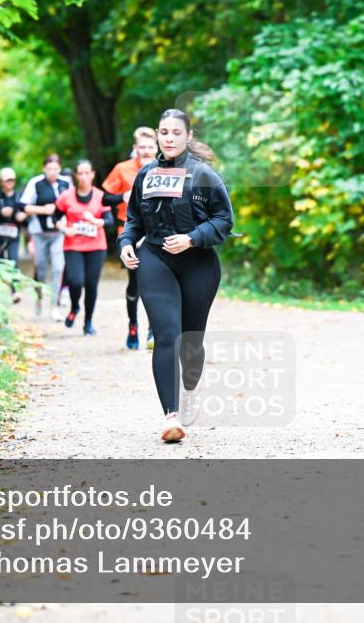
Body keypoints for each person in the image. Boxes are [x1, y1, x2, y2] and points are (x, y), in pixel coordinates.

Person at [117, 109, 234, 443]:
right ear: (157, 134)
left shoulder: (204, 175)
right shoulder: (146, 174)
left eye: (176, 133)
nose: (169, 138)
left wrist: (192, 238)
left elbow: (224, 222)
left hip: (198, 263)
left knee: (191, 339)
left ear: (188, 136)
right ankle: (171, 416)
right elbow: (134, 220)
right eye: (164, 132)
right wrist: (127, 243)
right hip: (156, 260)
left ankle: (191, 389)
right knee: (166, 335)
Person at [103, 127, 158, 350]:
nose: (145, 151)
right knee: (136, 283)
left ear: (156, 148)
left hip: (157, 233)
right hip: (130, 232)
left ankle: (153, 330)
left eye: (150, 147)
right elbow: (105, 198)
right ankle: (133, 324)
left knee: (155, 282)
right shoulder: (122, 169)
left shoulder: (166, 168)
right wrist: (121, 196)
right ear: (135, 148)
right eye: (141, 147)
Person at [55, 159, 113, 336]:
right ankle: (74, 307)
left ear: (93, 174)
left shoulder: (100, 196)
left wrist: (97, 221)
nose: (84, 177)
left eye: (87, 173)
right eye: (80, 173)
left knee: (91, 284)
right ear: (76, 175)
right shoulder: (66, 197)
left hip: (96, 246)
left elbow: (110, 222)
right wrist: (65, 229)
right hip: (73, 245)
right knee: (75, 280)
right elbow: (54, 218)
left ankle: (88, 321)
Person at [20, 154, 71, 320]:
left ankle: (54, 307)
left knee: (58, 268)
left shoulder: (66, 183)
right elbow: (23, 206)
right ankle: (39, 300)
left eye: (55, 168)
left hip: (58, 234)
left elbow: (71, 204)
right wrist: (43, 210)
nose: (52, 172)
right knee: (40, 270)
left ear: (60, 169)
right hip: (39, 233)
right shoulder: (35, 183)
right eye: (49, 169)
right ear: (44, 169)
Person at [0, 167, 28, 303]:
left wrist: (22, 217)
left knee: (13, 262)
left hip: (14, 237)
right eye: (7, 181)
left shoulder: (19, 197)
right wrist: (0, 214)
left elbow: (26, 216)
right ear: (2, 182)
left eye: (12, 180)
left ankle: (16, 290)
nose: (10, 183)